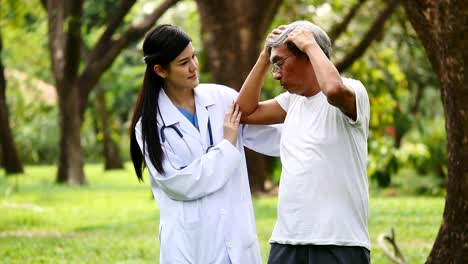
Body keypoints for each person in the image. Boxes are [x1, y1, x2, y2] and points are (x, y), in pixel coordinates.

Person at [129, 24, 281, 264]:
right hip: (190, 247)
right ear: (160, 70)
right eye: (183, 63)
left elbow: (273, 138)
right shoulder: (150, 126)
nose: (194, 67)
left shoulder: (223, 98)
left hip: (237, 241)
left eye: (194, 56)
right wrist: (227, 145)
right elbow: (180, 184)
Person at [236, 20, 371, 263]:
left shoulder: (352, 91)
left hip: (339, 241)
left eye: (280, 64)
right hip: (287, 239)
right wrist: (264, 57)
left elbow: (332, 90)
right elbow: (243, 112)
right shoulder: (292, 101)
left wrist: (309, 43)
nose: (275, 75)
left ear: (308, 56)